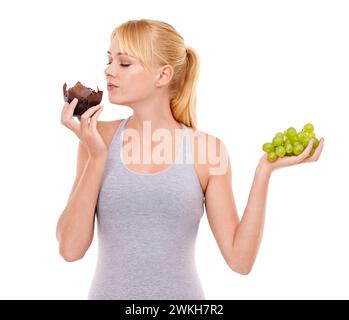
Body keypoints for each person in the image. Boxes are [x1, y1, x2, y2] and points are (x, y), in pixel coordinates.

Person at [56, 19, 324, 300]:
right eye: (109, 60)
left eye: (124, 63)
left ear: (163, 75)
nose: (108, 71)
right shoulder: (96, 139)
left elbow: (240, 261)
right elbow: (70, 250)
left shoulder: (208, 151)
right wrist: (97, 157)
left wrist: (264, 172)